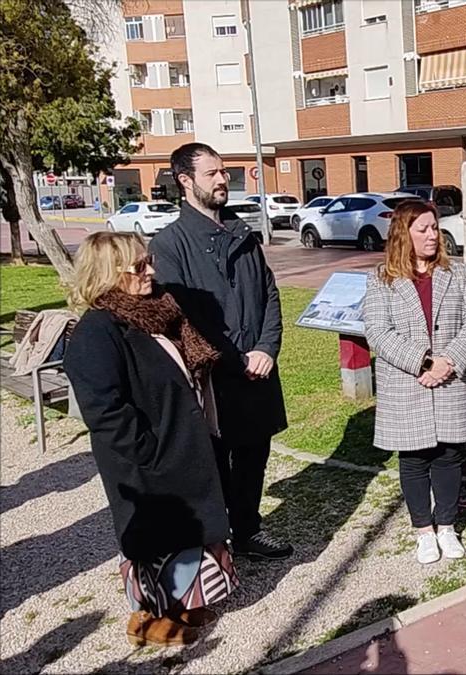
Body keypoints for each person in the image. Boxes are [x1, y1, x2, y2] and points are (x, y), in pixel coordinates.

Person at [64, 232, 236, 646]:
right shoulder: (97, 331)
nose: (151, 272)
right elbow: (103, 410)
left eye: (149, 261)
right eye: (139, 266)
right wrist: (149, 450)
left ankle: (180, 602)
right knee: (153, 536)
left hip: (180, 444)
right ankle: (147, 618)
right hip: (147, 459)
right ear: (109, 273)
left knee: (185, 529)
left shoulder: (155, 313)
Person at [149, 143, 291, 561]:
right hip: (212, 377)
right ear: (185, 181)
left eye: (223, 171)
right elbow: (184, 316)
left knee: (254, 454)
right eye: (212, 173)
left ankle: (247, 529)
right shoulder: (170, 244)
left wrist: (266, 348)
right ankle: (214, 542)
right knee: (212, 461)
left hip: (257, 368)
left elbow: (269, 294)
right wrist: (235, 359)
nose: (222, 179)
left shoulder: (242, 234)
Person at [363, 200, 466, 564]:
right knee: (414, 458)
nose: (433, 235)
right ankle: (423, 531)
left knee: (449, 455)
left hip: (450, 380)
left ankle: (446, 526)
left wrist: (448, 362)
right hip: (408, 381)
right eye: (424, 229)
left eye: (435, 227)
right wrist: (424, 361)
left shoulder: (455, 273)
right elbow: (378, 332)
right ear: (404, 234)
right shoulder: (381, 278)